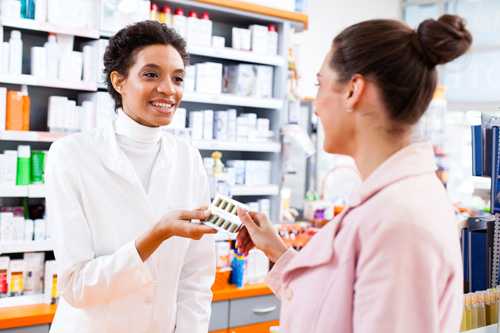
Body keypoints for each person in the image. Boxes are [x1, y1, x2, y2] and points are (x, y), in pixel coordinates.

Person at [236, 15, 472, 333]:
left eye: (320, 85)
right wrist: (276, 252)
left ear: (353, 90)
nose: (316, 106)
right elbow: (336, 303)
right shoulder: (389, 201)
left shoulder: (399, 221)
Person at [46, 21, 217, 333]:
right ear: (119, 81)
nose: (168, 89)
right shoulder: (71, 155)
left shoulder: (187, 159)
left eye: (177, 78)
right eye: (151, 74)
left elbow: (196, 277)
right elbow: (77, 286)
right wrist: (154, 237)